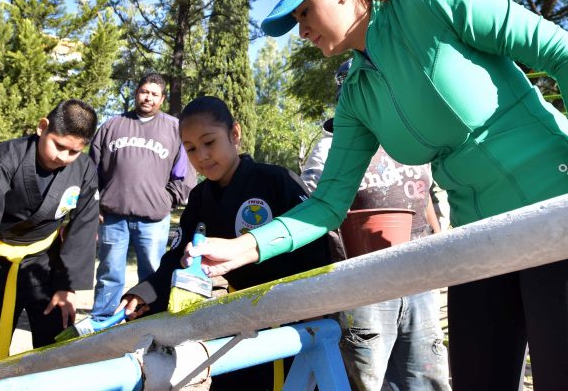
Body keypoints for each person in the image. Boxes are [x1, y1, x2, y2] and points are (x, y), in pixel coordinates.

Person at [185, 0, 568, 391]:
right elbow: (328, 203)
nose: (302, 31)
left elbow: (566, 54)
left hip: (559, 211)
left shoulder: (435, 3)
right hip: (481, 240)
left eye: (304, 13)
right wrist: (246, 247)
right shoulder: (355, 96)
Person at [120, 95, 338, 390]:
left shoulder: (277, 180)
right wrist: (145, 293)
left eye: (209, 142)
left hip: (289, 321)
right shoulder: (198, 199)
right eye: (191, 149)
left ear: (235, 134)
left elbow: (316, 244)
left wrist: (316, 304)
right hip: (231, 322)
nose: (202, 156)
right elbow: (178, 257)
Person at [302, 59, 449, 391]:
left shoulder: (410, 140)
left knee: (427, 374)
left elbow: (424, 197)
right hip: (362, 285)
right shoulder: (329, 149)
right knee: (369, 378)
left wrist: (442, 253)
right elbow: (313, 216)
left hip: (420, 276)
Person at [0, 99, 99, 371]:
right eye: (58, 145)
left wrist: (67, 287)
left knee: (57, 335)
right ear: (42, 127)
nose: (63, 157)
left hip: (44, 262)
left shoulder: (84, 170)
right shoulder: (4, 158)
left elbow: (83, 228)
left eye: (73, 151)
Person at [90, 72, 194, 320]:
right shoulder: (112, 126)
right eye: (144, 91)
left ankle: (147, 322)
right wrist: (94, 205)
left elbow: (185, 175)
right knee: (109, 274)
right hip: (113, 217)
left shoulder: (174, 129)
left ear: (162, 98)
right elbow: (90, 171)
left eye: (154, 94)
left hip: (153, 219)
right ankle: (101, 325)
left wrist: (166, 199)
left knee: (152, 275)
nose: (148, 98)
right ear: (136, 92)